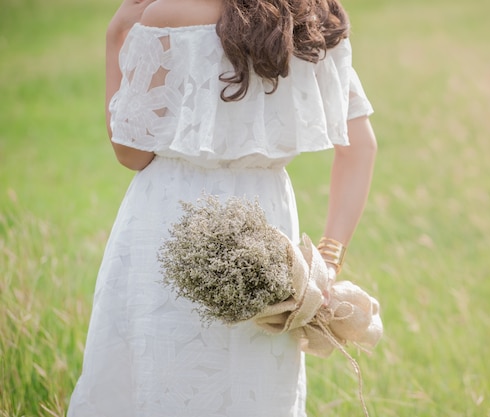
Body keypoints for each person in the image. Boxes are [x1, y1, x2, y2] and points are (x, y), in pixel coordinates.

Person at [67, 0, 377, 415]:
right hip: (269, 235)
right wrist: (328, 259)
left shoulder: (166, 16)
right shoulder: (311, 19)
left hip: (169, 225)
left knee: (154, 382)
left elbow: (131, 152)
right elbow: (362, 147)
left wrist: (116, 38)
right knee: (254, 383)